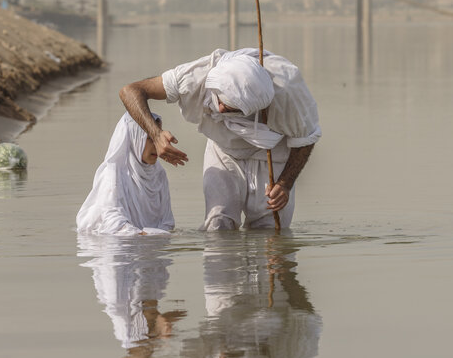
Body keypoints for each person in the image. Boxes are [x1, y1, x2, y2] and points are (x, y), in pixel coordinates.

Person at [119, 47, 321, 230]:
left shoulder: (289, 91)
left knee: (269, 230)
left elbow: (306, 138)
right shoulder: (197, 76)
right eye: (221, 100)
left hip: (273, 154)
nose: (222, 108)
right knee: (218, 224)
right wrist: (156, 134)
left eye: (233, 109)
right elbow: (130, 91)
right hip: (223, 149)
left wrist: (285, 183)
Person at [76, 112, 174, 236]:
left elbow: (167, 223)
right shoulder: (113, 173)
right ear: (134, 138)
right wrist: (149, 235)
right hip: (114, 246)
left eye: (158, 139)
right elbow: (113, 224)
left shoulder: (159, 175)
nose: (157, 146)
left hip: (149, 247)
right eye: (150, 138)